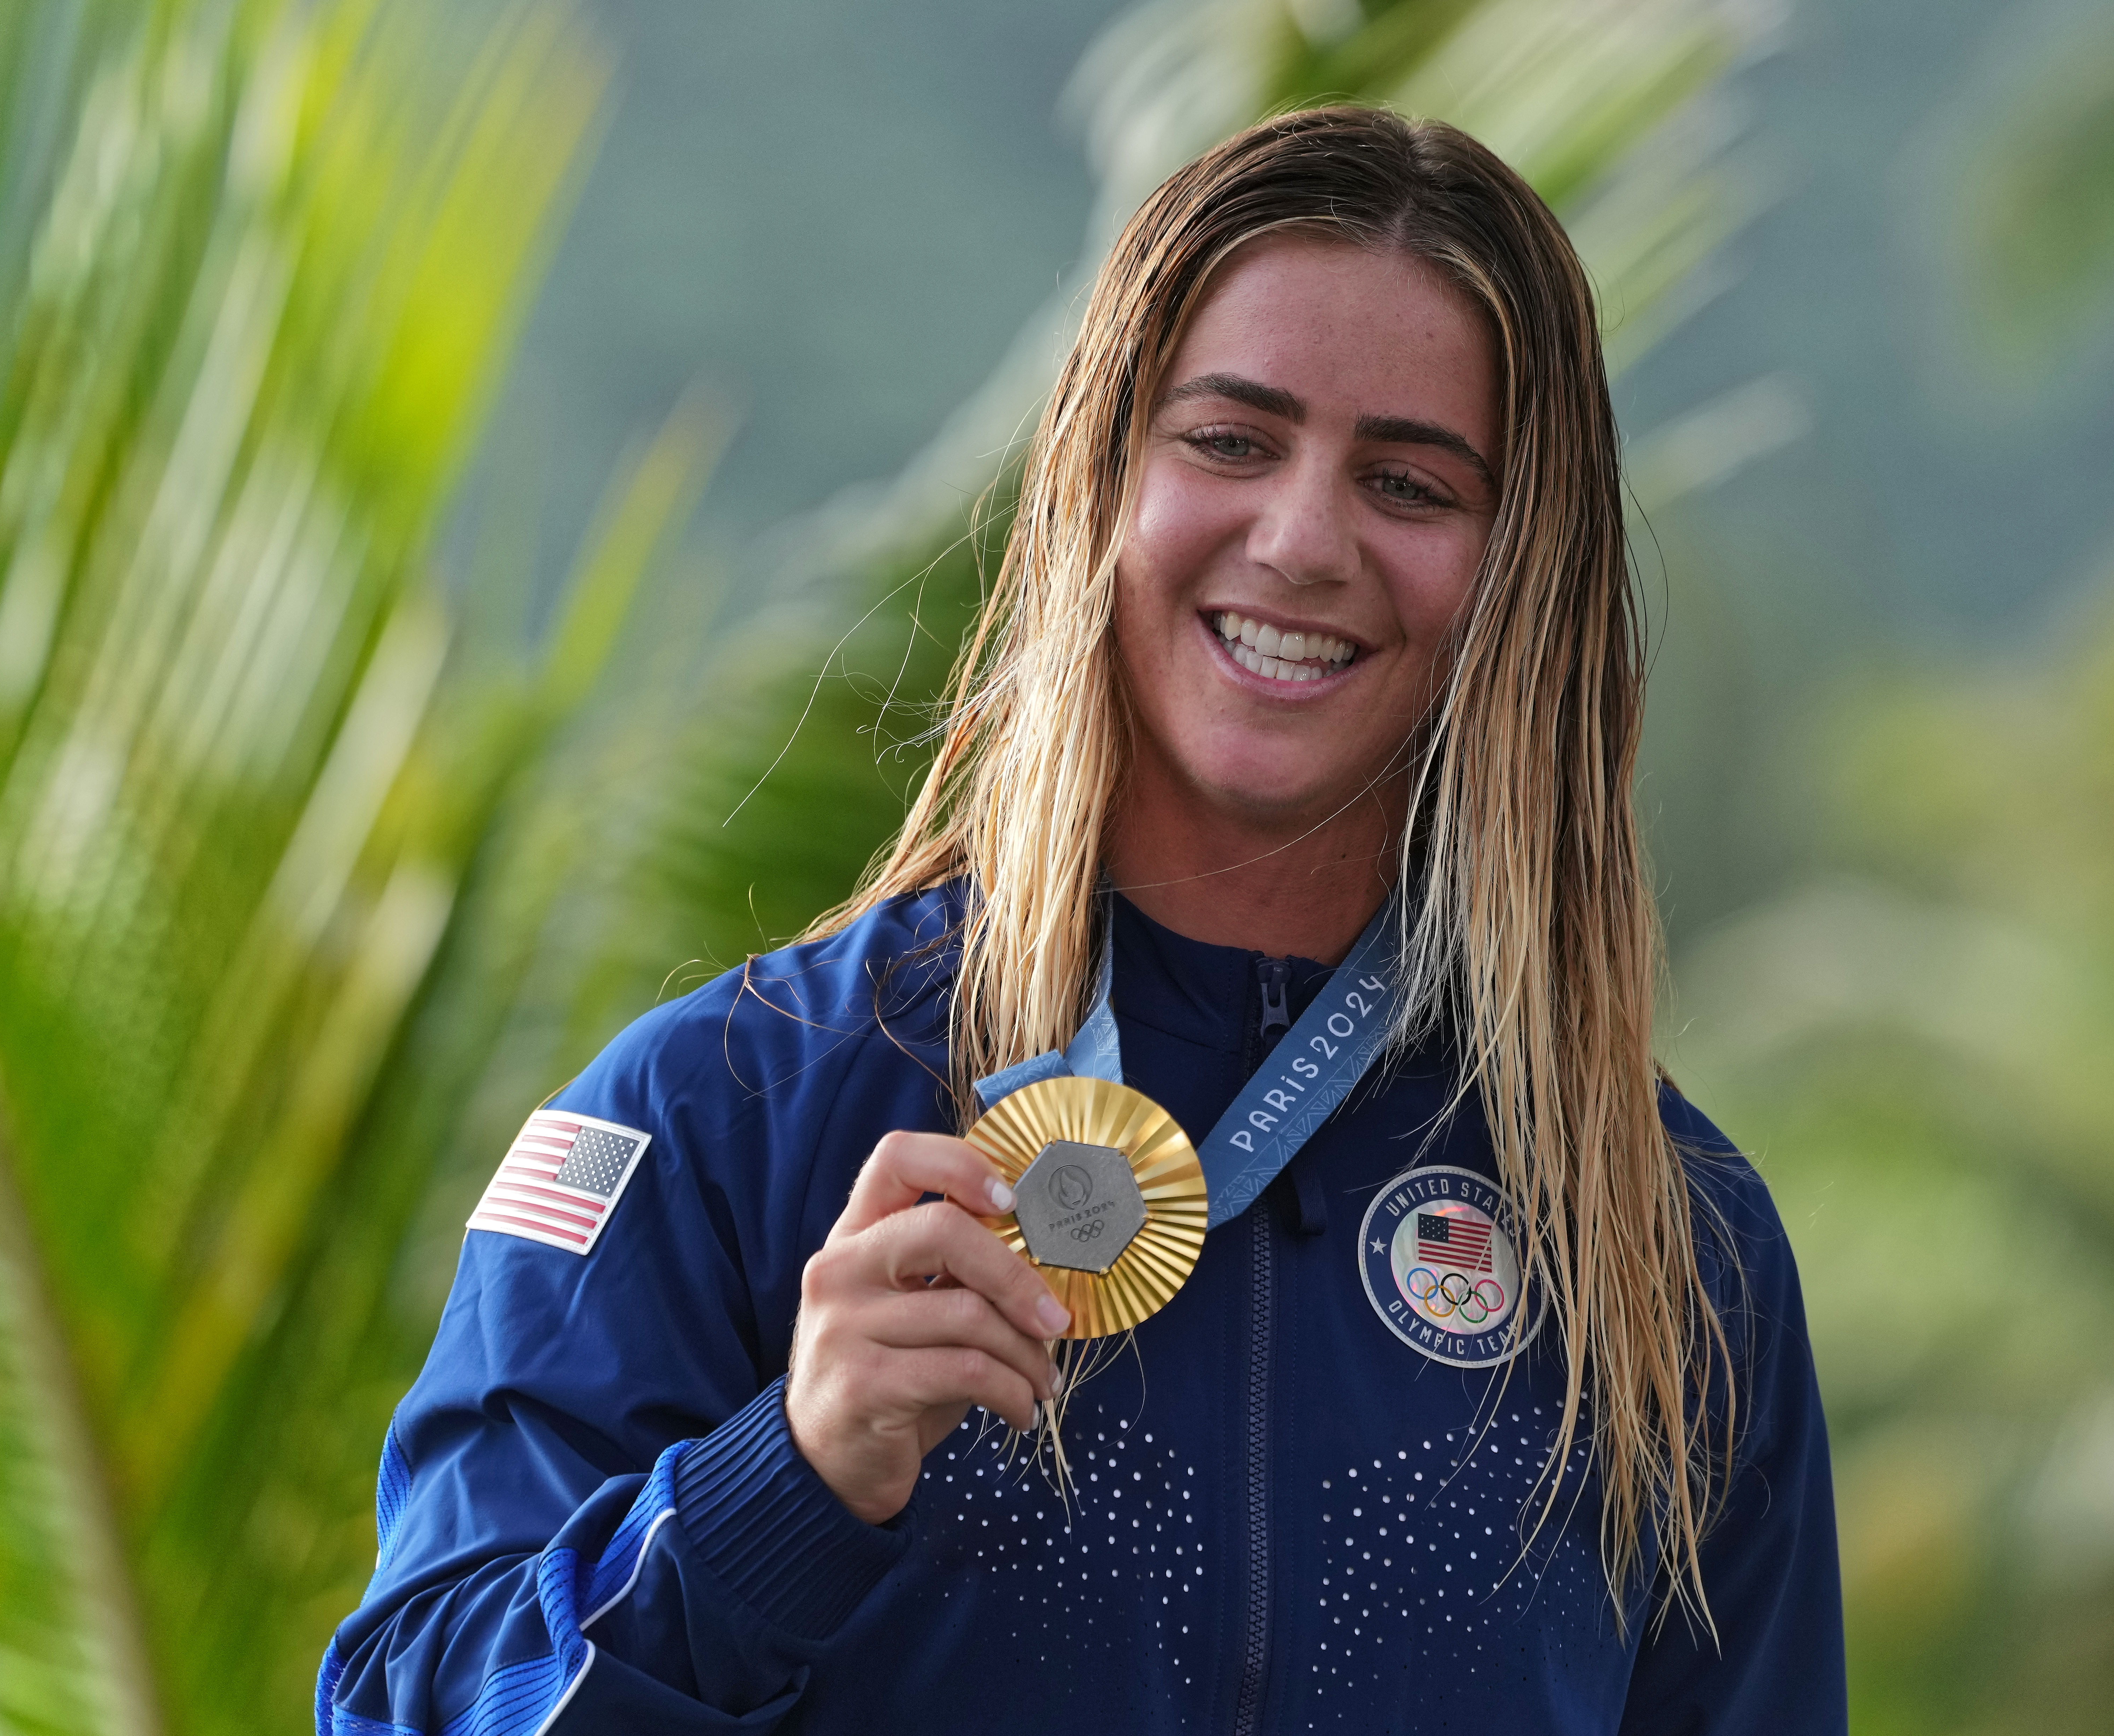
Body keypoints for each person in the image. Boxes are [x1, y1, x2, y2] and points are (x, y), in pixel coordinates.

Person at [319, 105, 1842, 1735]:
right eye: (1229, 441)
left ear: (1519, 566)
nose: (1305, 539)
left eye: (1408, 481)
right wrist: (789, 1483)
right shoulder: (729, 1114)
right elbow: (410, 1706)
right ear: (1099, 482)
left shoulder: (1663, 1248)